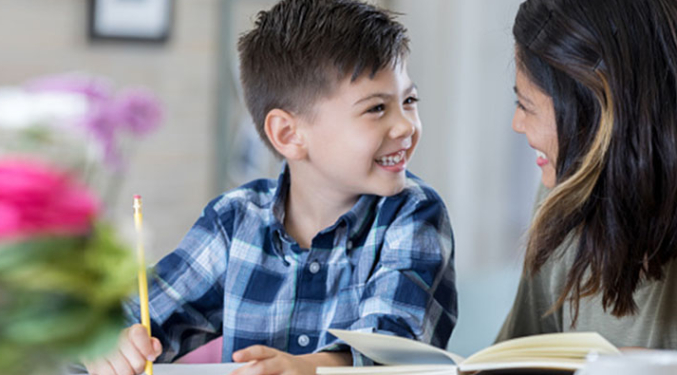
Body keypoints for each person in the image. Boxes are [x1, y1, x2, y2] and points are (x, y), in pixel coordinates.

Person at [84, 1, 458, 374]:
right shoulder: (234, 221)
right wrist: (113, 341)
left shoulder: (414, 214)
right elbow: (133, 317)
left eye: (409, 101)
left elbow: (399, 346)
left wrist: (311, 369)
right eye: (377, 109)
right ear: (288, 133)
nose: (406, 126)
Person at [499, 0, 677, 373]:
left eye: (527, 105)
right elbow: (517, 360)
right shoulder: (565, 190)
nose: (518, 124)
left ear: (594, 109)